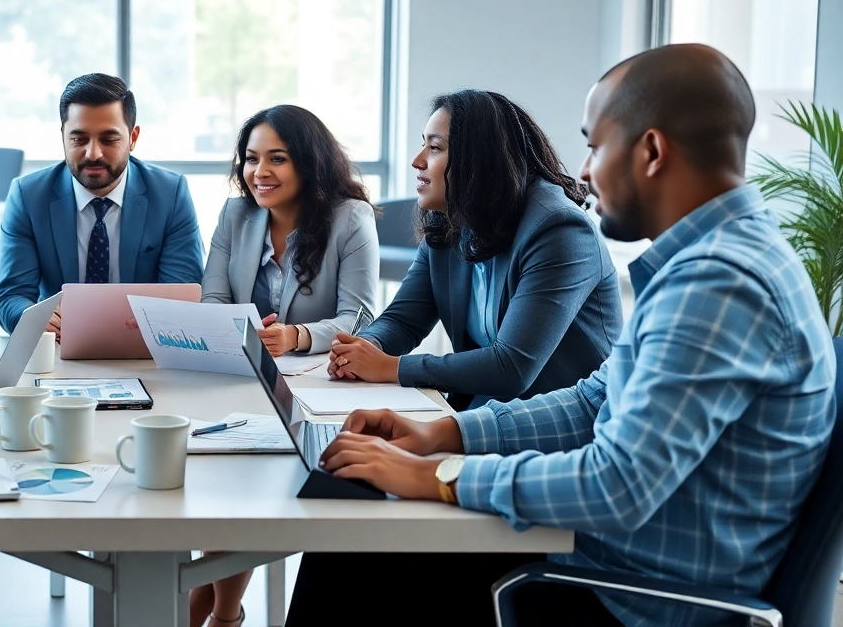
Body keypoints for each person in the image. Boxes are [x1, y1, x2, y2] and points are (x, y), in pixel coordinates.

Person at [286, 44, 837, 626]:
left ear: (650, 151)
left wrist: (433, 475)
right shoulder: (708, 264)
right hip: (600, 562)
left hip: (626, 598)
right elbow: (591, 399)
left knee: (360, 549)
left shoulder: (720, 283)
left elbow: (617, 484)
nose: (583, 170)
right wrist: (444, 435)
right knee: (366, 530)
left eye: (596, 145)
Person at [191, 104, 380, 625]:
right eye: (251, 159)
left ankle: (215, 611)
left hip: (316, 385)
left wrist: (296, 336)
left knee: (244, 480)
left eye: (277, 158)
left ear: (310, 163)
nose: (260, 172)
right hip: (237, 373)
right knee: (219, 477)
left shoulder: (349, 218)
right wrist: (233, 334)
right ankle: (224, 612)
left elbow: (360, 316)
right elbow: (213, 296)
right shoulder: (237, 214)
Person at [328, 90, 622, 409]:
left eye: (435, 147)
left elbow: (512, 366)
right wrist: (365, 347)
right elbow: (404, 320)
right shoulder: (449, 220)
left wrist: (390, 367)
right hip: (488, 411)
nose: (418, 160)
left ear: (479, 159)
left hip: (559, 423)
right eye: (422, 144)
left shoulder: (558, 228)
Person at [0, 72, 204, 336]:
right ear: (63, 136)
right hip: (59, 346)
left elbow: (183, 291)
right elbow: (11, 296)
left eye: (109, 139)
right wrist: (36, 318)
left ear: (133, 138)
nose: (93, 153)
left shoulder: (170, 194)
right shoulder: (28, 196)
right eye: (79, 139)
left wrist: (157, 320)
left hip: (144, 346)